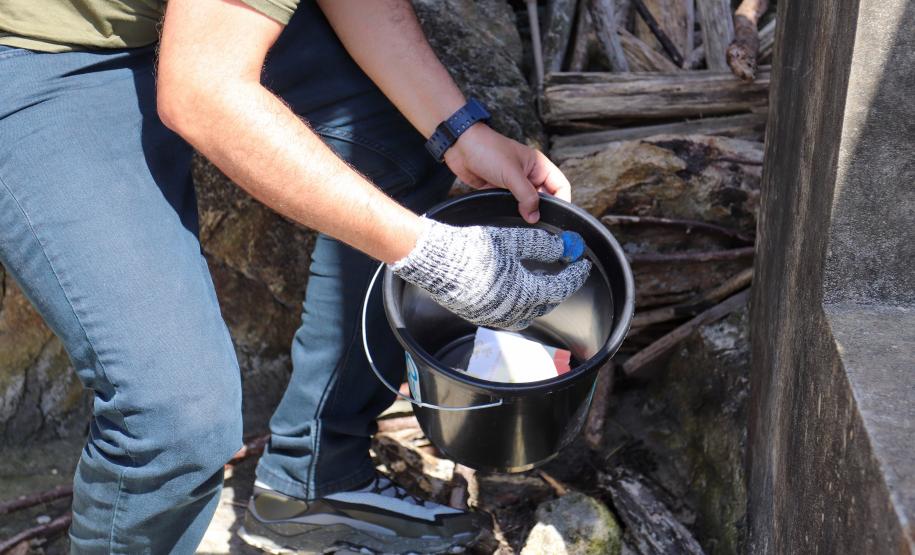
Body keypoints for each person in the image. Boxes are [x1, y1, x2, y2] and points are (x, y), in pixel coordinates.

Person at [0, 0, 590, 552]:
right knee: (175, 422)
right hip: (40, 49)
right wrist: (433, 254)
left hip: (180, 21)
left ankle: (315, 475)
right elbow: (202, 91)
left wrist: (459, 133)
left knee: (401, 152)